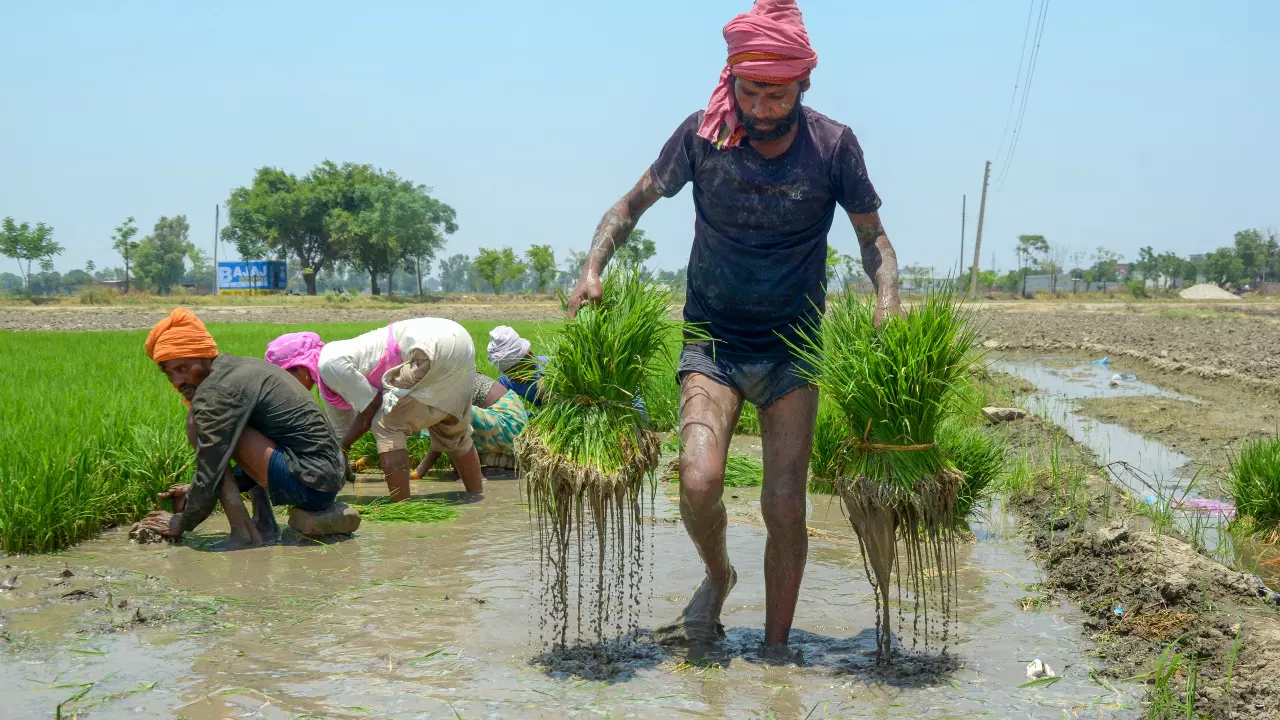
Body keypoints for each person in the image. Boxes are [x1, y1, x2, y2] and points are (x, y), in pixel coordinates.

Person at [566, 0, 902, 653]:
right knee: (697, 481)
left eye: (777, 93)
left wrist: (886, 291)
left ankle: (776, 648)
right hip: (713, 342)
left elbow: (875, 240)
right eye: (751, 90)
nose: (763, 105)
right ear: (733, 79)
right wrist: (592, 268)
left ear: (803, 85)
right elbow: (628, 206)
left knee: (783, 505)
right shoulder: (702, 136)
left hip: (792, 348)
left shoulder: (833, 146)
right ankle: (719, 576)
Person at [136, 308, 347, 549]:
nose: (177, 381)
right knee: (231, 428)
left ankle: (244, 534)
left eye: (183, 368)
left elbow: (212, 465)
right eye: (169, 373)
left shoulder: (217, 392)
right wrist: (195, 489)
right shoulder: (238, 369)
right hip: (324, 478)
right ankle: (264, 523)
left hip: (311, 486)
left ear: (205, 356)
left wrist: (183, 521)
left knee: (197, 424)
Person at [265, 318, 485, 502]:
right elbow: (341, 433)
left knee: (386, 425)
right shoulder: (330, 372)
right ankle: (477, 497)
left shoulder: (329, 364)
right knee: (449, 426)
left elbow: (372, 406)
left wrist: (342, 447)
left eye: (286, 377)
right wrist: (340, 457)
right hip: (459, 339)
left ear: (300, 368)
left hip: (428, 345)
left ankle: (403, 508)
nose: (288, 387)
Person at [413, 371, 528, 477]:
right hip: (510, 431)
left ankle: (473, 476)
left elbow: (446, 434)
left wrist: (419, 472)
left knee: (449, 418)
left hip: (509, 424)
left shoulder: (444, 385)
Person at [487, 326, 547, 408]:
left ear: (529, 356)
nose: (514, 377)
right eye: (508, 373)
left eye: (516, 370)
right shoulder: (506, 382)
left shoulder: (550, 367)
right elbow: (506, 410)